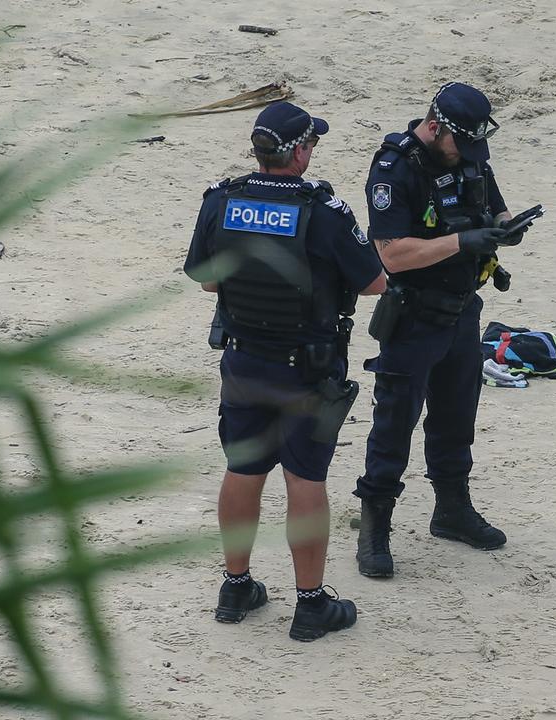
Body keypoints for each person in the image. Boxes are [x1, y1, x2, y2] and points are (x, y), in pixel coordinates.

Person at [183, 101, 386, 640]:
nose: (313, 150)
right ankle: (311, 603)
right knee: (304, 478)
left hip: (243, 360)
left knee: (243, 470)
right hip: (307, 371)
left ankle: (236, 585)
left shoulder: (221, 200)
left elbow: (206, 280)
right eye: (312, 143)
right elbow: (373, 282)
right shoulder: (322, 209)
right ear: (298, 152)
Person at [354, 82, 530, 578]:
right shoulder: (394, 168)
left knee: (457, 416)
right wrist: (462, 240)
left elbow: (495, 205)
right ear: (434, 127)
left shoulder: (469, 156)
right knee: (394, 423)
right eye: (460, 146)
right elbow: (391, 253)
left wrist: (505, 227)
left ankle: (452, 511)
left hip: (462, 311)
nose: (467, 157)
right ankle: (374, 529)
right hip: (413, 316)